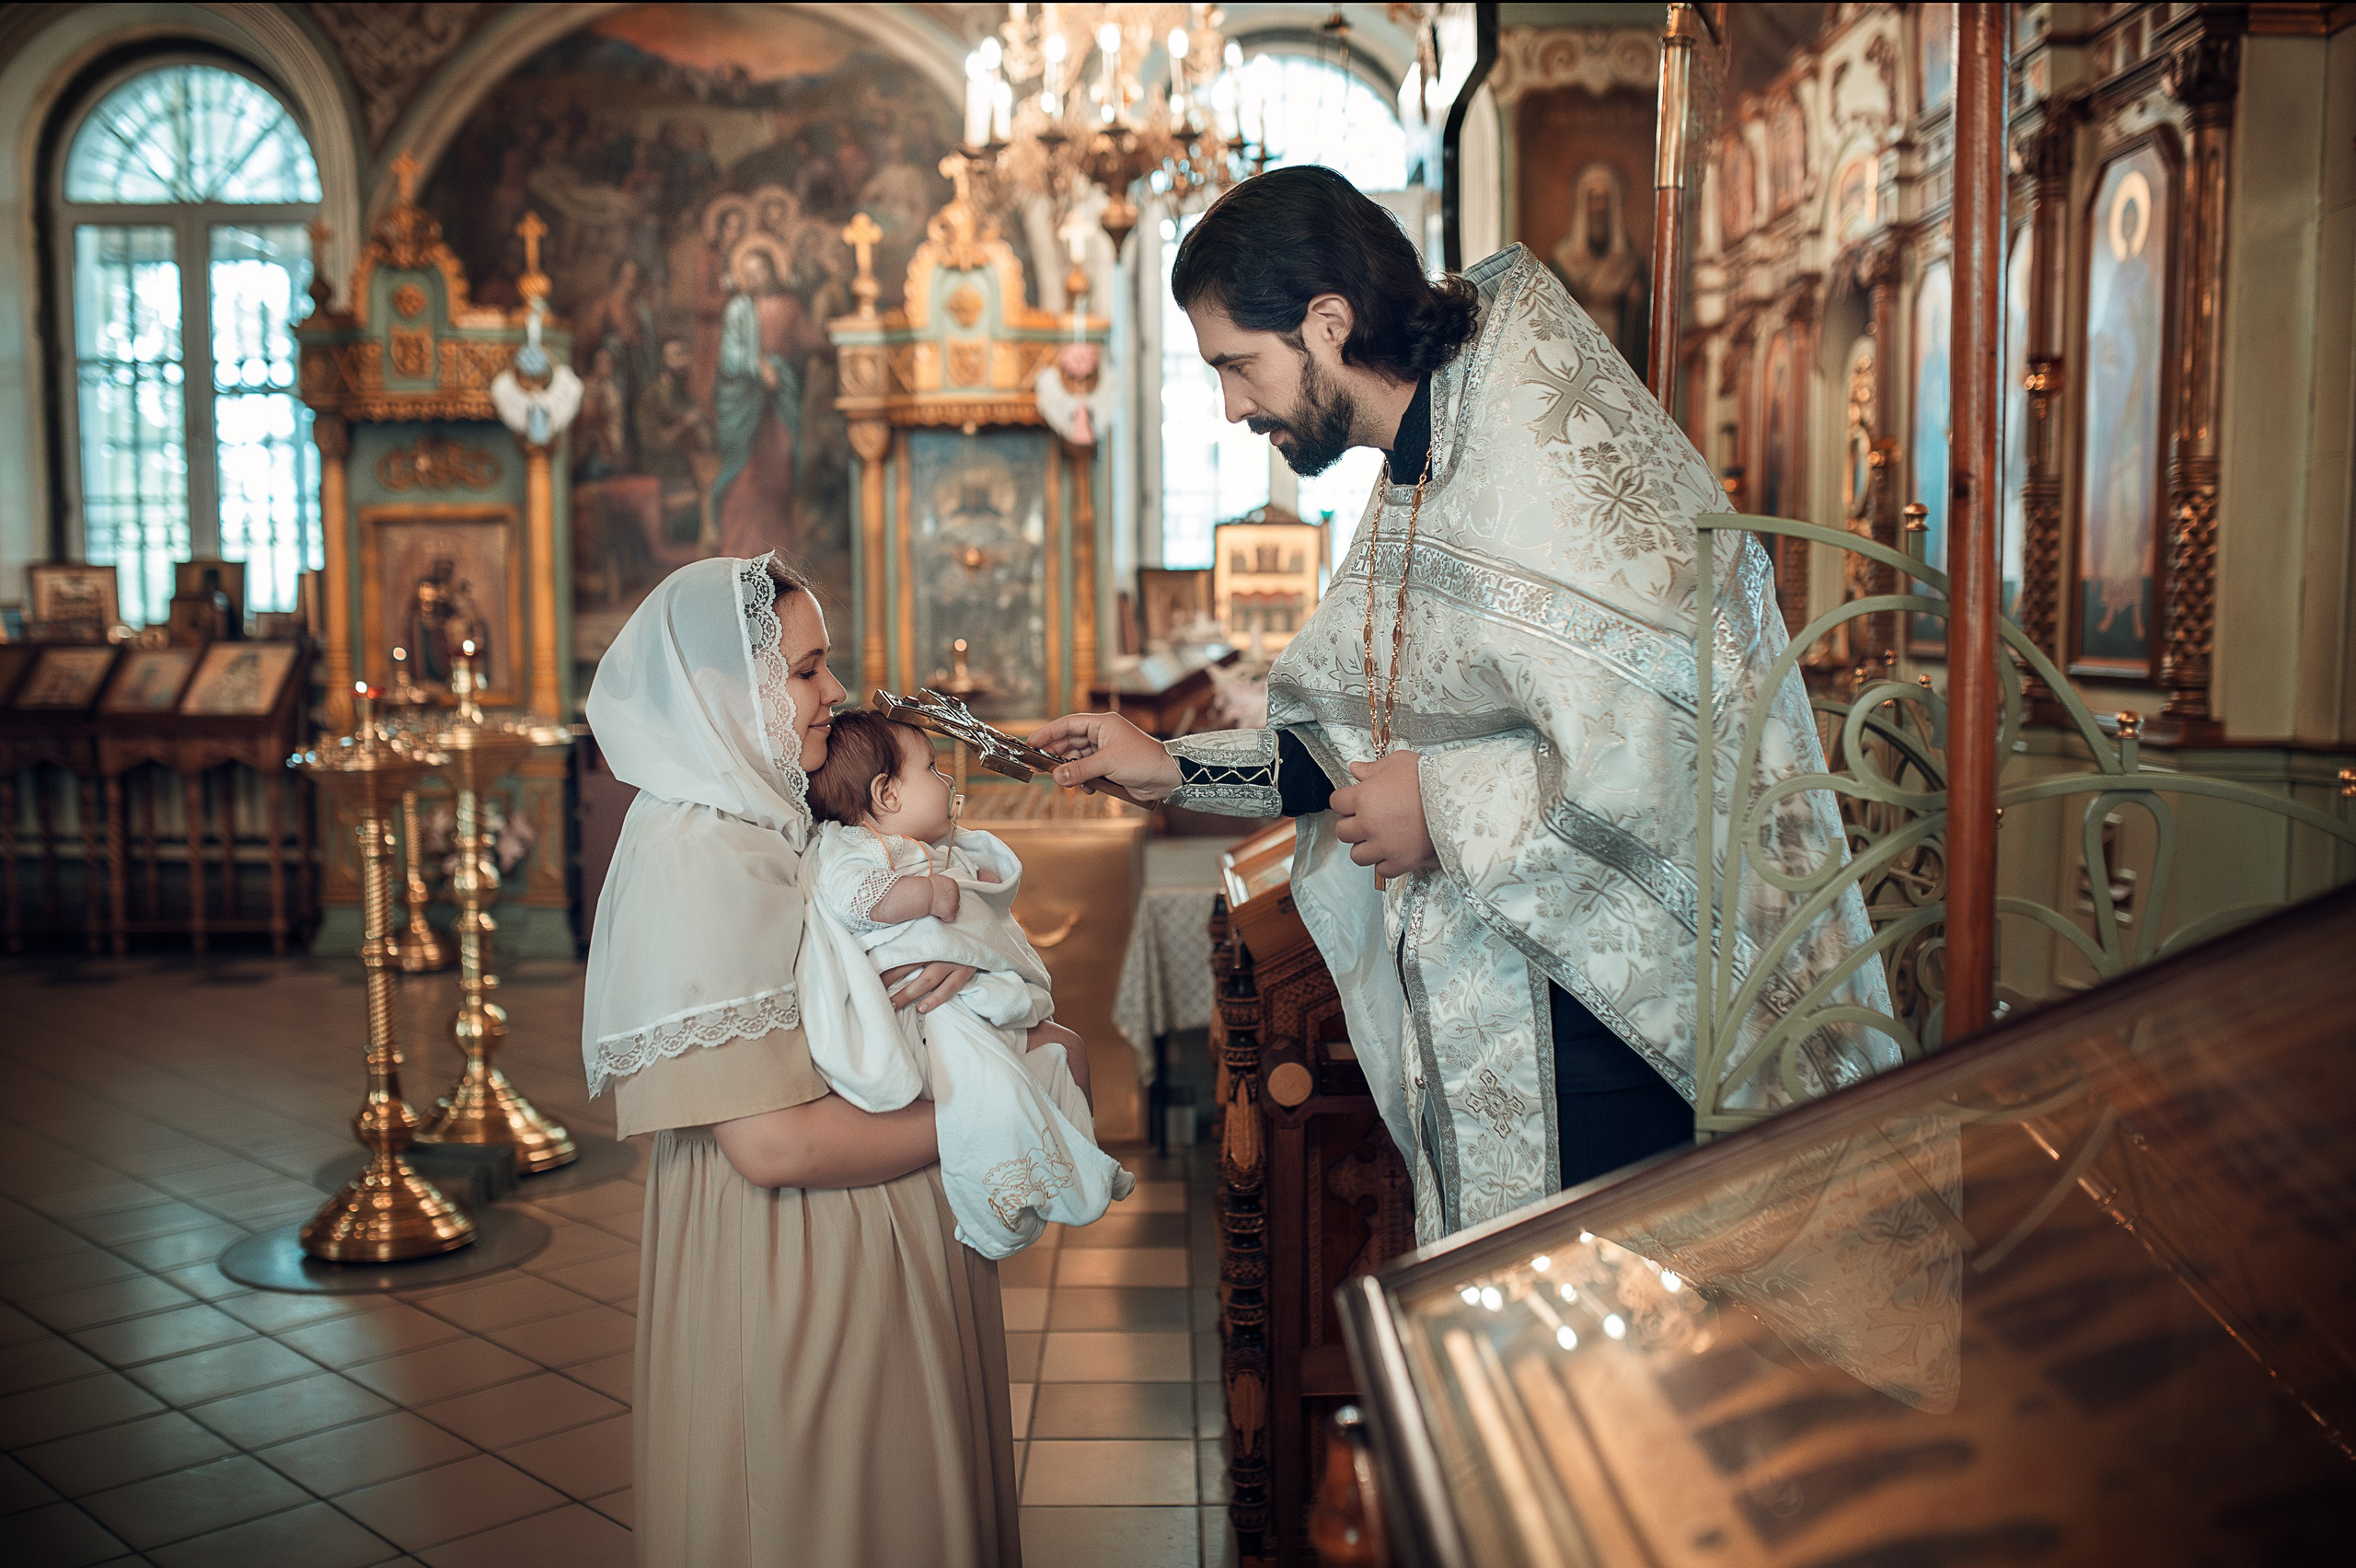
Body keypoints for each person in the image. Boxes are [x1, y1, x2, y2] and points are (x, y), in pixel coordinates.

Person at [1033, 166, 1894, 1246]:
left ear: (1328, 323)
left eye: (1237, 365)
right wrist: (1166, 762)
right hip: (1497, 1013)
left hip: (1616, 1032)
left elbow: (1679, 732)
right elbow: (1352, 737)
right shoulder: (1422, 466)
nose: (1233, 406)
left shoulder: (1546, 461)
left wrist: (1442, 804)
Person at [583, 553, 1044, 1565]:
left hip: (876, 1224)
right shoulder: (697, 852)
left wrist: (958, 968)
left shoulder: (777, 813)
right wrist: (1014, 1106)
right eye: (804, 670)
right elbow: (774, 1147)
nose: (833, 690)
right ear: (721, 692)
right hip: (797, 1263)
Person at [802, 710, 1132, 1258]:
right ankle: (1012, 1194)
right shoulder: (851, 847)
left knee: (1068, 1050)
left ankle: (1075, 1158)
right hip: (925, 1014)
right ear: (886, 794)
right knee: (1018, 1076)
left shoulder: (911, 845)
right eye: (932, 769)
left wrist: (972, 885)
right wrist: (927, 895)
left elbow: (971, 908)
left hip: (955, 993)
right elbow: (854, 898)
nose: (947, 780)